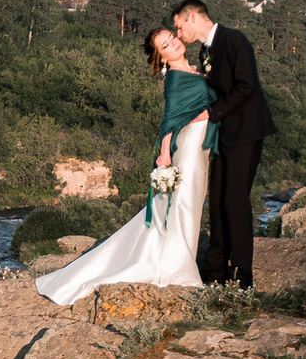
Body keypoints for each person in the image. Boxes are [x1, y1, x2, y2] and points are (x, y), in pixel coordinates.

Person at [35, 28, 215, 302]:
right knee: (184, 202)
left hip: (200, 145)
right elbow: (170, 119)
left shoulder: (195, 67)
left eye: (173, 38)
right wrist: (164, 154)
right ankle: (178, 267)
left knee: (190, 202)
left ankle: (181, 259)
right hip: (189, 145)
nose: (175, 43)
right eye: (166, 45)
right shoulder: (176, 79)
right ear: (162, 58)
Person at [169, 0, 276, 288]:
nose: (179, 35)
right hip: (223, 136)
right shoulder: (207, 49)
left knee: (236, 202)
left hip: (246, 132)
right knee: (217, 201)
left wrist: (211, 113)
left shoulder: (233, 39)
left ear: (192, 17)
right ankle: (215, 271)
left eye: (179, 28)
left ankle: (243, 278)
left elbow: (246, 86)